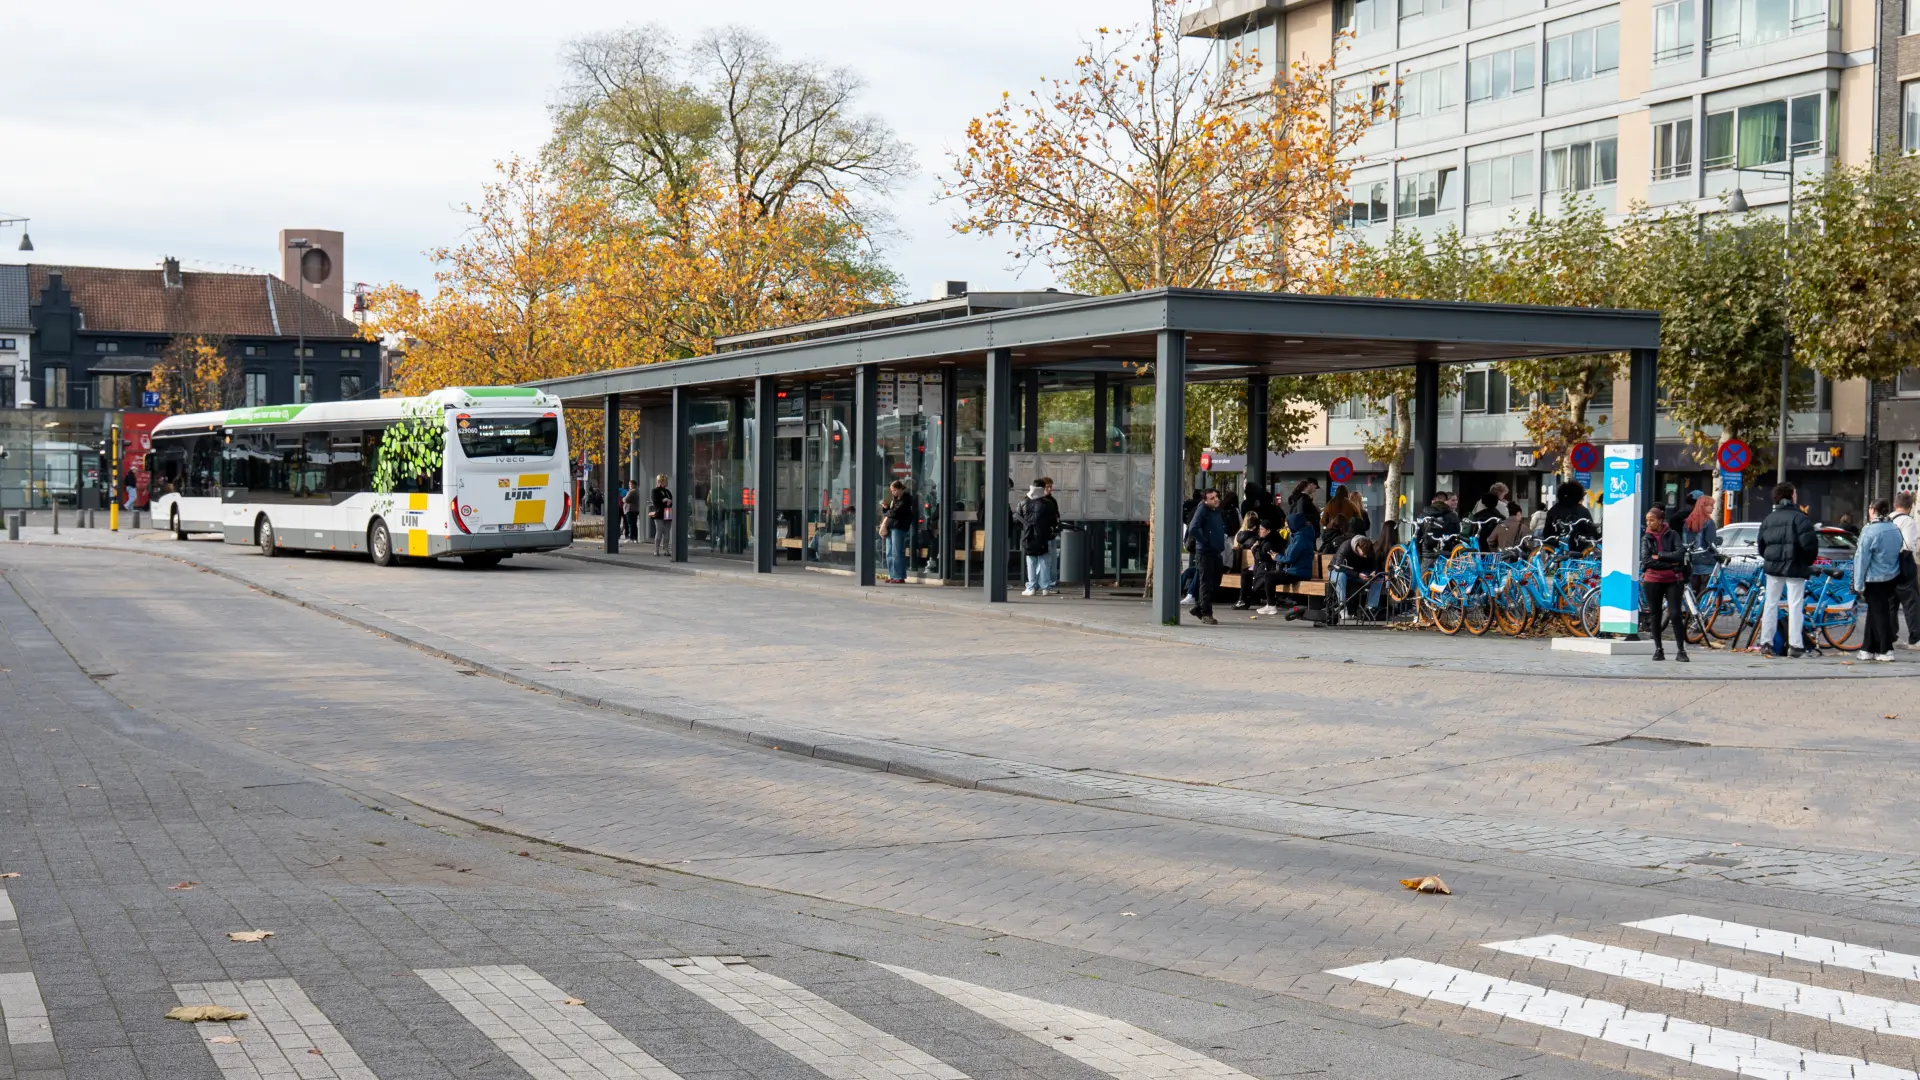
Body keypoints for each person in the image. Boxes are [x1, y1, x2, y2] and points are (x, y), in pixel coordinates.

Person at [1752, 481, 1819, 658]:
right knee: (1795, 604)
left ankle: (1766, 642)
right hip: (1795, 566)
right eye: (1795, 493)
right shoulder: (1800, 518)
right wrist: (1807, 561)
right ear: (1791, 496)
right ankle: (1795, 646)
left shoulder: (1769, 519)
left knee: (1770, 603)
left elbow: (1761, 545)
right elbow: (1809, 544)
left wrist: (1770, 557)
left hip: (1773, 567)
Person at [1854, 500, 1903, 661]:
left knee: (1880, 613)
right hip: (1892, 576)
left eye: (1869, 508)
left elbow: (1861, 559)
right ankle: (1868, 648)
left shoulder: (1870, 530)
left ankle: (1886, 649)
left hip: (1874, 578)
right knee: (1875, 612)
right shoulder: (1894, 528)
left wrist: (1858, 583)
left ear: (1873, 510)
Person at [1640, 506, 1689, 662]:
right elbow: (1647, 560)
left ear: (1660, 521)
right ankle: (1658, 649)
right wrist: (1670, 563)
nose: (1648, 523)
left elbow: (1680, 555)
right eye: (1647, 520)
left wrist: (1659, 556)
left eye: (1652, 520)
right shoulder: (1646, 537)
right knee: (1655, 615)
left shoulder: (1673, 534)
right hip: (1652, 580)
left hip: (1673, 579)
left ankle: (1681, 650)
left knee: (1675, 614)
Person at [1183, 488, 1228, 624]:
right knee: (1206, 582)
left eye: (1216, 496)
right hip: (1205, 552)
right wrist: (1205, 541)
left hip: (1216, 551)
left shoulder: (1217, 511)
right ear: (1205, 500)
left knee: (1216, 581)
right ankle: (1206, 613)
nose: (1216, 500)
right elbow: (1193, 528)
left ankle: (1199, 607)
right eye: (1212, 498)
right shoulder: (1202, 510)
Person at [1277, 504, 1320, 622]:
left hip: (1298, 571)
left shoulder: (1301, 538)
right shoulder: (1299, 535)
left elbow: (1290, 557)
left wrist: (1276, 557)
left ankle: (1272, 604)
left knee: (1269, 577)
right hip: (1296, 569)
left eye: (1288, 526)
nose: (1287, 528)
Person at [1015, 483, 1059, 596]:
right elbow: (1053, 520)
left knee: (1031, 561)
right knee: (1044, 561)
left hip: (1028, 536)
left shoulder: (1023, 502)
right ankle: (1045, 587)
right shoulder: (1048, 504)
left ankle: (1031, 587)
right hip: (1044, 535)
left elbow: (1017, 520)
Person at [1330, 533, 1385, 623]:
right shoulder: (1346, 547)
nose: (1365, 556)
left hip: (1358, 572)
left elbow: (1375, 564)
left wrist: (1373, 572)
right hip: (1337, 571)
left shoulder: (1369, 549)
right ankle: (1342, 609)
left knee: (1379, 578)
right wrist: (1357, 575)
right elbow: (1339, 566)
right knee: (1341, 576)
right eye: (1363, 554)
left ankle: (1371, 608)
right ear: (1358, 547)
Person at [1891, 491, 1920, 650]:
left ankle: (1892, 636)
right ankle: (1915, 639)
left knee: (1891, 602)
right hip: (1904, 563)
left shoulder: (1887, 518)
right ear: (1910, 507)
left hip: (1887, 565)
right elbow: (1908, 545)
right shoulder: (1908, 522)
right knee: (1911, 602)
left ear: (1895, 505)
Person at [1679, 490, 1719, 596]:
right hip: (1707, 562)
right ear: (1703, 506)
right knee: (1705, 592)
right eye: (1710, 506)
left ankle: (1693, 610)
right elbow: (1711, 542)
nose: (1713, 508)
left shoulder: (1688, 522)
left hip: (1692, 561)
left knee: (1694, 591)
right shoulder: (1709, 522)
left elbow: (1685, 541)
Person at [1544, 481, 1597, 553]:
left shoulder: (1553, 510)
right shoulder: (1582, 510)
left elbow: (1547, 532)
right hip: (1578, 550)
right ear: (1578, 496)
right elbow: (1591, 531)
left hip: (1555, 549)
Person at [883, 480, 916, 584]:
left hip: (899, 527)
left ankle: (899, 576)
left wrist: (888, 512)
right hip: (891, 526)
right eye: (892, 491)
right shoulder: (895, 499)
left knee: (897, 552)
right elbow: (890, 512)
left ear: (900, 488)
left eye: (895, 490)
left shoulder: (906, 499)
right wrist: (886, 509)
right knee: (889, 552)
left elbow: (895, 512)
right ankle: (892, 575)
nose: (893, 492)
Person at [1414, 491, 1462, 557]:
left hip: (1428, 553)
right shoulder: (1453, 516)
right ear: (1446, 502)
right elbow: (1457, 535)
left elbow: (1418, 537)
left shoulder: (1424, 514)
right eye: (1453, 500)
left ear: (1432, 501)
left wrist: (1418, 555)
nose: (1456, 502)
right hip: (1447, 552)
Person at [1233, 511, 1263, 610]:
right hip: (1256, 566)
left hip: (1239, 566)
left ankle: (1243, 599)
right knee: (1248, 573)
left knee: (1246, 573)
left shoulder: (1239, 535)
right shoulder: (1257, 538)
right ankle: (1246, 598)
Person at [648, 474, 674, 556]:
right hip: (659, 512)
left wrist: (669, 501)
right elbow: (656, 502)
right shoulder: (655, 491)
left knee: (667, 532)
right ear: (660, 481)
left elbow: (671, 501)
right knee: (659, 532)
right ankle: (656, 549)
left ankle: (666, 549)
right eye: (665, 481)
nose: (666, 482)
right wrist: (664, 500)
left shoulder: (667, 491)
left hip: (668, 511)